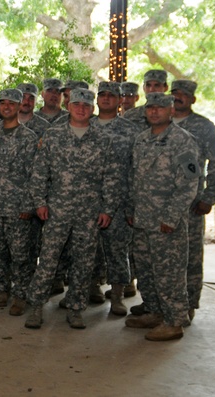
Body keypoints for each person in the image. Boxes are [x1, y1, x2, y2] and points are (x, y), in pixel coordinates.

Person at [23, 89, 117, 330]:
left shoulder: (103, 139)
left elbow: (110, 178)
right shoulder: (53, 135)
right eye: (76, 104)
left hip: (89, 212)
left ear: (92, 108)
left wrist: (107, 208)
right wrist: (40, 202)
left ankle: (76, 308)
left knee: (84, 262)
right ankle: (35, 306)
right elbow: (40, 172)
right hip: (57, 210)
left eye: (86, 105)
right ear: (69, 105)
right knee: (48, 260)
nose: (81, 108)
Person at [125, 92, 200, 341]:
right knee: (146, 270)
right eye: (150, 107)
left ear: (171, 110)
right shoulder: (141, 140)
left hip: (166, 223)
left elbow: (189, 185)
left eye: (160, 107)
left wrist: (171, 217)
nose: (154, 111)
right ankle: (155, 312)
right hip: (143, 219)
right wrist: (131, 210)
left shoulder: (183, 141)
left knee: (169, 273)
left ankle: (175, 321)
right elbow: (133, 178)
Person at [168, 79, 215, 323]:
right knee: (159, 256)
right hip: (158, 203)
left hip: (190, 204)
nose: (178, 97)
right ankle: (156, 304)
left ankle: (188, 304)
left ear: (193, 99)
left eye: (185, 94)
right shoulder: (159, 122)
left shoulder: (204, 127)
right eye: (175, 93)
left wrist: (209, 196)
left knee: (189, 257)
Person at [0, 88, 39, 315]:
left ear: (20, 105)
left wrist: (28, 206)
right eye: (3, 103)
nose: (7, 107)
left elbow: (36, 175)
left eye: (12, 103)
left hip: (18, 208)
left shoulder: (29, 138)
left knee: (21, 254)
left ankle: (21, 294)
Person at [90, 81, 142, 314]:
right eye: (102, 95)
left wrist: (132, 204)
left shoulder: (130, 130)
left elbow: (136, 169)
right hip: (85, 199)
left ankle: (118, 296)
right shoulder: (84, 125)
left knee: (117, 250)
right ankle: (91, 288)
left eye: (112, 95)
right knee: (87, 248)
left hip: (119, 201)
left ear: (121, 100)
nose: (106, 99)